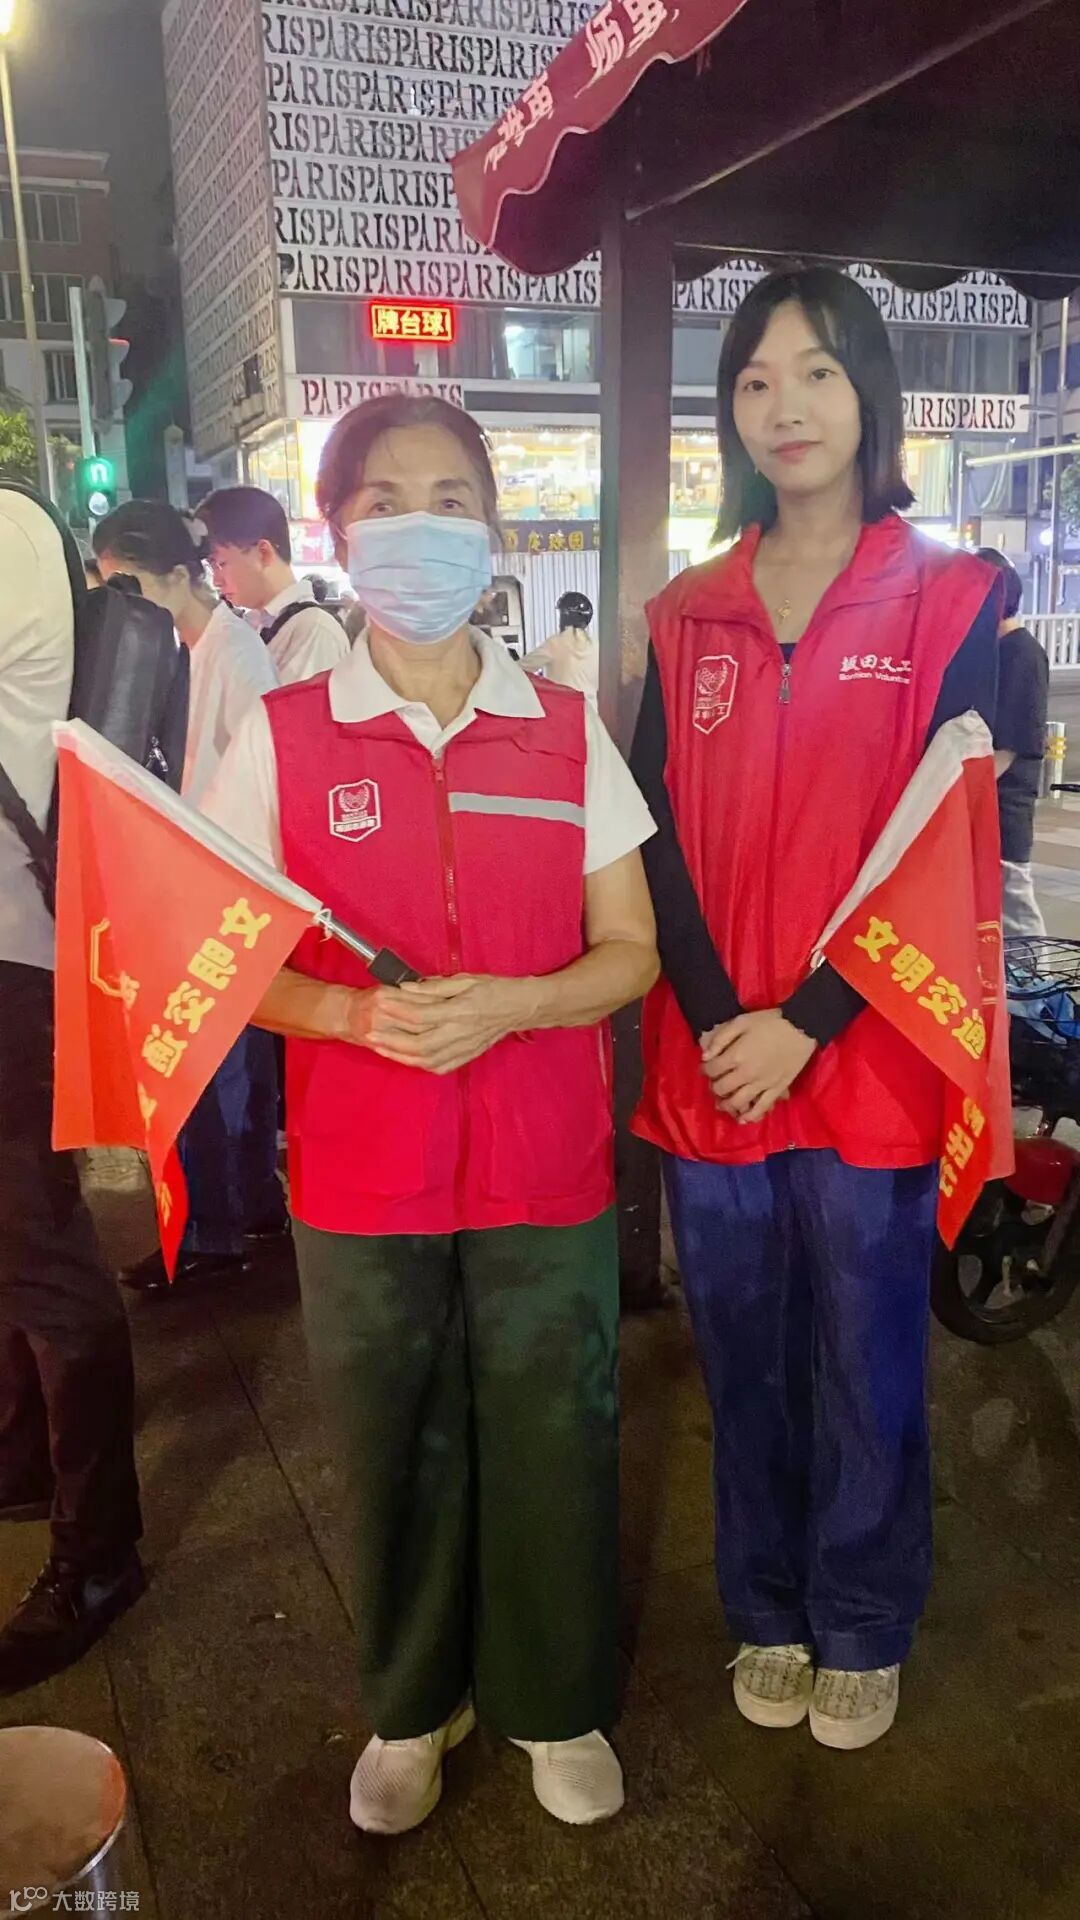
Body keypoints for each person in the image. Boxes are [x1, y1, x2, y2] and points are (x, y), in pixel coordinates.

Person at [202, 394, 658, 1833]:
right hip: (363, 1174)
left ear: (493, 528)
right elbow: (225, 958)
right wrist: (352, 1017)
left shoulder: (563, 733)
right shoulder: (283, 737)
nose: (422, 525)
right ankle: (411, 1706)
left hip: (545, 1165)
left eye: (451, 498)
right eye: (385, 499)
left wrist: (518, 1002)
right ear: (338, 534)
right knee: (390, 1438)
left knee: (555, 1430)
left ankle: (554, 1700)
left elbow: (631, 952)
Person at [631, 268, 999, 1753]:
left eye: (819, 372)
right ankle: (767, 1607)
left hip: (869, 1056)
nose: (785, 406)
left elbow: (954, 839)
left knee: (868, 1356)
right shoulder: (684, 613)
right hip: (716, 1059)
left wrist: (811, 1020)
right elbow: (648, 829)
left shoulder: (951, 597)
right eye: (755, 379)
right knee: (743, 1353)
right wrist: (727, 1016)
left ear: (871, 395)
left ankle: (862, 1618)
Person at [0, 487, 144, 1693]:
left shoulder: (3, 530)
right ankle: (20, 1459)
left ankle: (97, 1554)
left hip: (13, 956)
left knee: (42, 1248)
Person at [93, 503, 287, 1292]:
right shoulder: (185, 648)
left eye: (129, 586)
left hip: (223, 896)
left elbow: (266, 784)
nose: (121, 605)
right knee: (227, 1071)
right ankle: (248, 1210)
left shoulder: (234, 655)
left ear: (180, 575)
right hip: (200, 889)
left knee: (205, 1073)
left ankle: (216, 1228)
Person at [199, 485, 350, 685]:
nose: (217, 581)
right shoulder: (254, 625)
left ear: (263, 553)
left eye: (220, 564)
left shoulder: (313, 631)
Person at [975, 547, 1049, 938]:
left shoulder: (1022, 654)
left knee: (1015, 913)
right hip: (987, 809)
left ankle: (1039, 979)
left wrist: (961, 794)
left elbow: (1009, 747)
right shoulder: (996, 652)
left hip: (1005, 810)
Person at [527, 591, 599, 703]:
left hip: (565, 708)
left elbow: (522, 668)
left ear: (566, 615)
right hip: (592, 709)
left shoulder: (556, 643)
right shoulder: (596, 646)